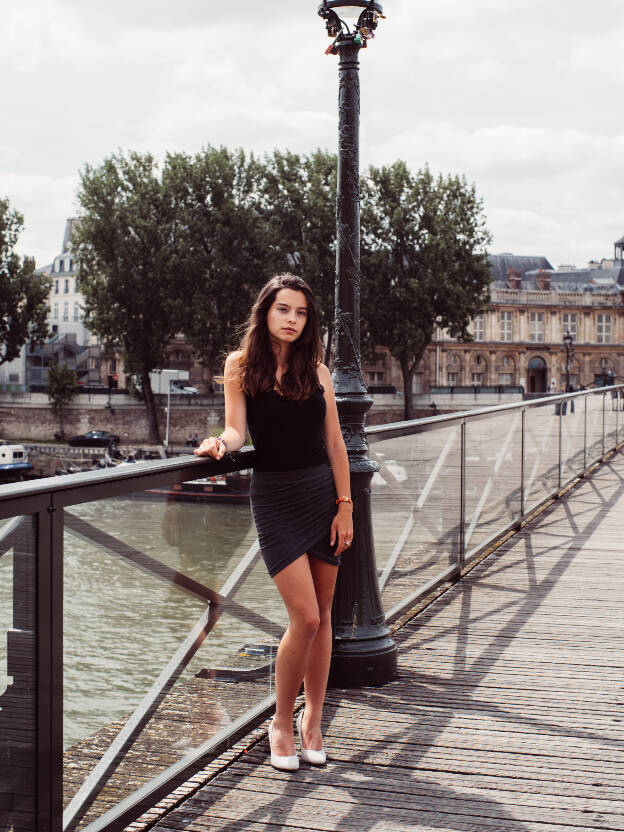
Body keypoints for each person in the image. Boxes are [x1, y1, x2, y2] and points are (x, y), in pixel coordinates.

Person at [195, 274, 353, 772]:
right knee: (304, 616)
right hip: (276, 498)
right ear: (265, 312)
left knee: (324, 612)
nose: (292, 319)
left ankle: (314, 721)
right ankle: (280, 722)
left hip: (321, 493)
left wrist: (345, 504)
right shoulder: (240, 366)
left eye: (301, 313)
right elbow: (237, 428)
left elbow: (335, 443)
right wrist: (219, 445)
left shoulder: (319, 372)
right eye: (284, 309)